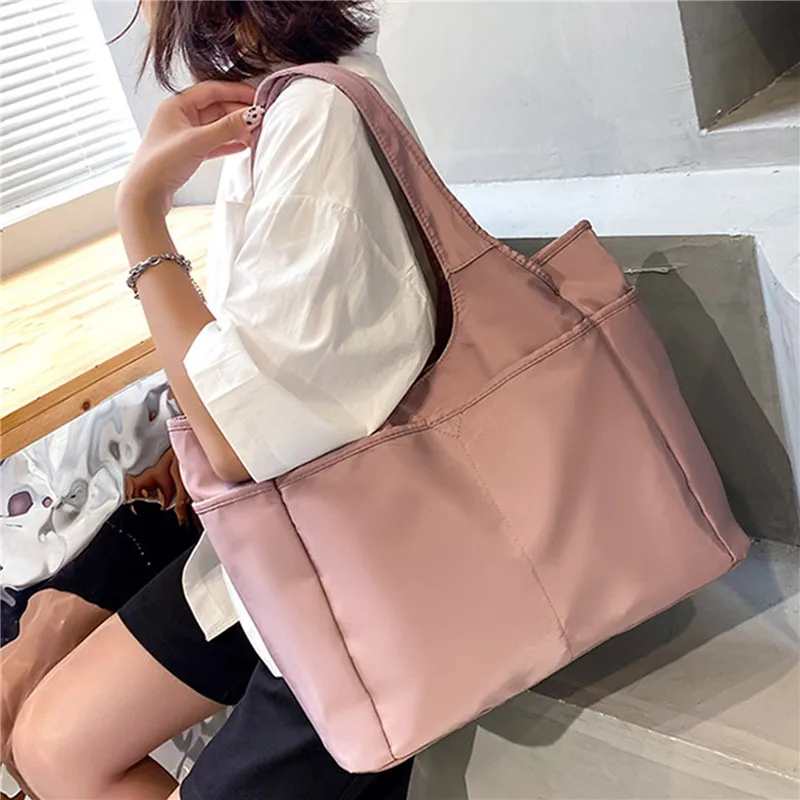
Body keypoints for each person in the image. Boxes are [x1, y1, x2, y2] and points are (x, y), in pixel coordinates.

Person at [9, 2, 435, 799]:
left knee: (57, 743)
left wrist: (142, 214)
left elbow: (237, 441)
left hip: (353, 564)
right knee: (49, 744)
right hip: (285, 532)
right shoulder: (293, 103)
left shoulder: (315, 118)